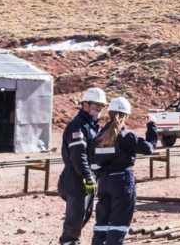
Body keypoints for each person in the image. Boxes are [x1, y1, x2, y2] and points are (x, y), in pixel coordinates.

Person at [89, 96, 157, 245]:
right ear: (126, 115)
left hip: (104, 183)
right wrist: (152, 127)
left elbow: (93, 163)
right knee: (118, 226)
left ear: (110, 113)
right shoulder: (126, 135)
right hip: (122, 183)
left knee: (101, 225)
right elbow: (149, 149)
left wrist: (102, 176)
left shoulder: (99, 136)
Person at [59, 87, 108, 245]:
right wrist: (87, 177)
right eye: (95, 106)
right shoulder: (78, 126)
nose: (99, 109)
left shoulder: (91, 126)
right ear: (85, 105)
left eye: (101, 106)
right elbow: (78, 155)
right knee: (75, 219)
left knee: (84, 215)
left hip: (86, 178)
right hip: (75, 179)